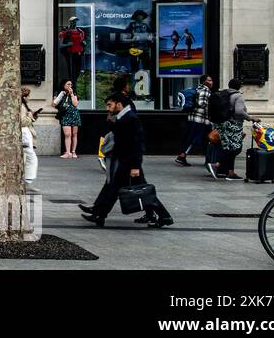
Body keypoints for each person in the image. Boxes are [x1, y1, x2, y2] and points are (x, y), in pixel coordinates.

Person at [81, 93, 173, 228]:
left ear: (119, 104)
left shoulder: (131, 118)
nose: (108, 108)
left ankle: (99, 214)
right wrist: (112, 121)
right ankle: (99, 214)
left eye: (110, 105)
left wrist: (135, 166)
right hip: (125, 161)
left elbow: (137, 144)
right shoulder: (122, 117)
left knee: (138, 190)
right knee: (117, 189)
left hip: (129, 163)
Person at [207, 79, 249, 181]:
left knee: (228, 148)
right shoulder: (238, 96)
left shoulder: (224, 93)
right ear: (239, 87)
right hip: (234, 125)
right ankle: (216, 165)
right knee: (236, 148)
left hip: (223, 123)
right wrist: (250, 118)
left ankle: (230, 172)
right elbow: (239, 111)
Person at [175, 74, 214, 167]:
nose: (211, 82)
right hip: (201, 120)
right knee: (195, 139)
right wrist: (211, 106)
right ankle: (182, 156)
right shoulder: (205, 90)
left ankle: (208, 160)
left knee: (204, 140)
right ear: (204, 81)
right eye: (209, 80)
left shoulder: (197, 89)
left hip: (194, 118)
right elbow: (201, 103)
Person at [52, 79, 81, 158]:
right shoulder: (60, 93)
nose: (69, 86)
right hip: (65, 115)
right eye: (68, 84)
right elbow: (54, 104)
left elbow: (75, 104)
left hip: (74, 115)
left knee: (74, 134)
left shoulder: (74, 93)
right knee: (67, 134)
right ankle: (68, 152)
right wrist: (61, 95)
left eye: (71, 84)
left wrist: (71, 94)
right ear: (63, 85)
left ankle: (73, 152)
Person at [21, 87, 40, 192]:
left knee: (28, 156)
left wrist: (32, 116)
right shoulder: (22, 107)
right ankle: (27, 182)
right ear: (24, 97)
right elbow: (22, 121)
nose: (29, 99)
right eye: (28, 97)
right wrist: (31, 117)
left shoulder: (23, 106)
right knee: (30, 157)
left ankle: (27, 181)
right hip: (24, 133)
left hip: (26, 133)